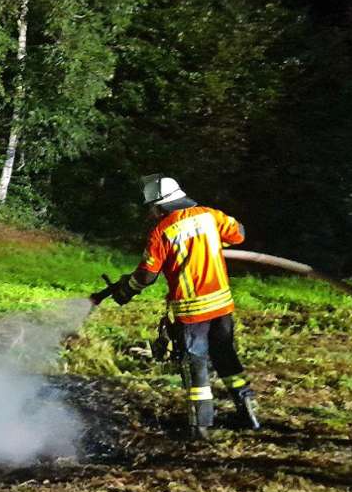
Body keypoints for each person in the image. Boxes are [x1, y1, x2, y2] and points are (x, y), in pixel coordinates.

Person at [100, 174, 259, 440]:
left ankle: (200, 428)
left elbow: (147, 276)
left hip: (192, 310)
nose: (151, 212)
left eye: (152, 207)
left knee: (195, 366)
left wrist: (127, 290)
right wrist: (212, 239)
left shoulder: (162, 231)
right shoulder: (209, 215)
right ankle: (248, 412)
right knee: (225, 356)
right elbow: (239, 234)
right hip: (222, 306)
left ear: (160, 206)